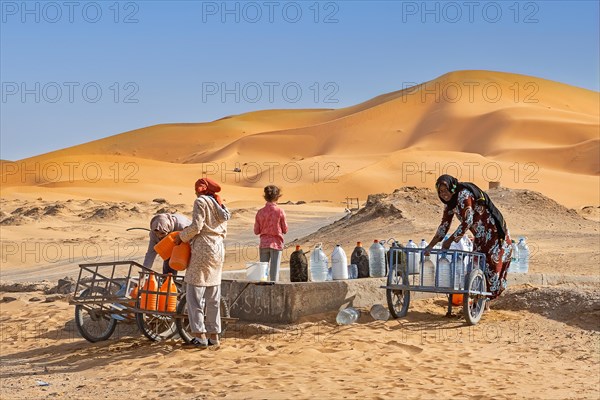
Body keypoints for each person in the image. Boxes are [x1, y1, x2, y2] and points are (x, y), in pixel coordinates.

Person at [424, 174, 513, 300]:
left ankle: (484, 303)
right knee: (477, 266)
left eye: (446, 190)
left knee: (492, 268)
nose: (444, 194)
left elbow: (468, 220)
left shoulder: (463, 194)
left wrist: (449, 241)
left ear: (452, 187)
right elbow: (444, 226)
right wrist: (430, 246)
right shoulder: (450, 204)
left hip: (494, 234)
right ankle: (479, 303)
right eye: (440, 191)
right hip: (480, 237)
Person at [175, 178, 231, 348]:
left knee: (194, 293)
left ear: (199, 190)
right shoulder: (220, 205)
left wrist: (181, 237)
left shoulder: (200, 202)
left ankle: (199, 336)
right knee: (213, 294)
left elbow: (196, 227)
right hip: (218, 249)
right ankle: (214, 336)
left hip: (202, 249)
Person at [254, 185, 288, 281]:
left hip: (264, 244)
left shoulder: (260, 212)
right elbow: (285, 229)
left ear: (265, 196)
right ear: (277, 196)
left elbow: (256, 231)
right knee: (274, 274)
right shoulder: (280, 211)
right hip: (276, 244)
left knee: (262, 275)